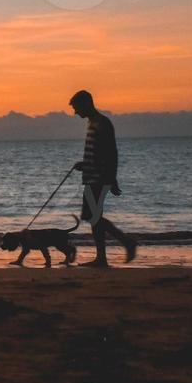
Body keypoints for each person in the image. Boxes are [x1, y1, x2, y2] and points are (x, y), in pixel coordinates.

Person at [70, 90, 138, 266]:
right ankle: (102, 257)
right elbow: (98, 152)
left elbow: (111, 153)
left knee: (93, 216)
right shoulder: (92, 123)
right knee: (93, 216)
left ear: (86, 104)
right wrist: (84, 164)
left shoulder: (102, 123)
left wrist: (112, 178)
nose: (75, 112)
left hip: (99, 178)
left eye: (77, 108)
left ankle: (126, 242)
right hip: (92, 176)